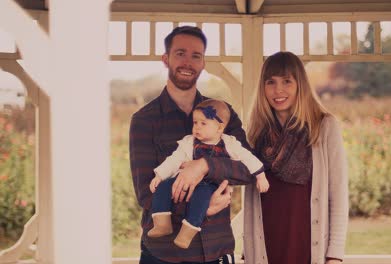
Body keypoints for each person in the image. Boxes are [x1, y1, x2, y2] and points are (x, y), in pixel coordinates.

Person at [130, 26, 255, 264]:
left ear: (203, 63)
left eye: (196, 56)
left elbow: (248, 168)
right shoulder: (145, 120)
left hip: (216, 250)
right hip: (164, 255)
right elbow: (146, 193)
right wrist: (200, 208)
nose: (188, 62)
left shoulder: (223, 115)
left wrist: (206, 165)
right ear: (165, 59)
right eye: (180, 53)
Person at [243, 51, 349, 264]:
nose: (278, 90)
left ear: (300, 84)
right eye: (270, 82)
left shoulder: (324, 126)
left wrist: (334, 255)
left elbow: (338, 194)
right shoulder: (255, 134)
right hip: (267, 243)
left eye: (287, 81)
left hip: (308, 243)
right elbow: (249, 200)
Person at [147, 99, 269, 249]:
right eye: (195, 122)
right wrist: (159, 175)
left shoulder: (230, 144)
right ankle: (162, 222)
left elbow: (248, 158)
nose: (197, 127)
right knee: (163, 187)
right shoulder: (188, 142)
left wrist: (260, 175)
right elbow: (174, 159)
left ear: (219, 128)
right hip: (184, 179)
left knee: (202, 196)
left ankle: (188, 231)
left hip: (211, 183)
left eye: (203, 123)